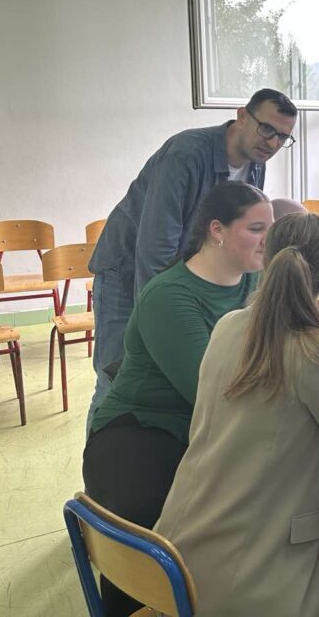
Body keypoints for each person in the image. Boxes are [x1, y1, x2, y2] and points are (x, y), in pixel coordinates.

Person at [155, 212, 319, 617]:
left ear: (266, 256)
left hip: (175, 552)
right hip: (245, 575)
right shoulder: (317, 352)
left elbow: (278, 381)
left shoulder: (229, 326)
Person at [82, 182, 272, 616]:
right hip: (141, 431)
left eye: (270, 228)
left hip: (207, 431)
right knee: (148, 541)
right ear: (217, 230)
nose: (267, 240)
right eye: (256, 228)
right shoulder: (169, 296)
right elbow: (212, 392)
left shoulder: (257, 282)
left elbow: (283, 347)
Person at [87, 88, 297, 427]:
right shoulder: (186, 154)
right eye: (267, 129)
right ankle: (103, 453)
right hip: (127, 272)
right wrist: (158, 316)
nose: (273, 143)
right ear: (242, 116)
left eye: (283, 137)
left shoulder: (255, 166)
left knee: (178, 382)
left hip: (180, 279)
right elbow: (155, 247)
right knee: (117, 374)